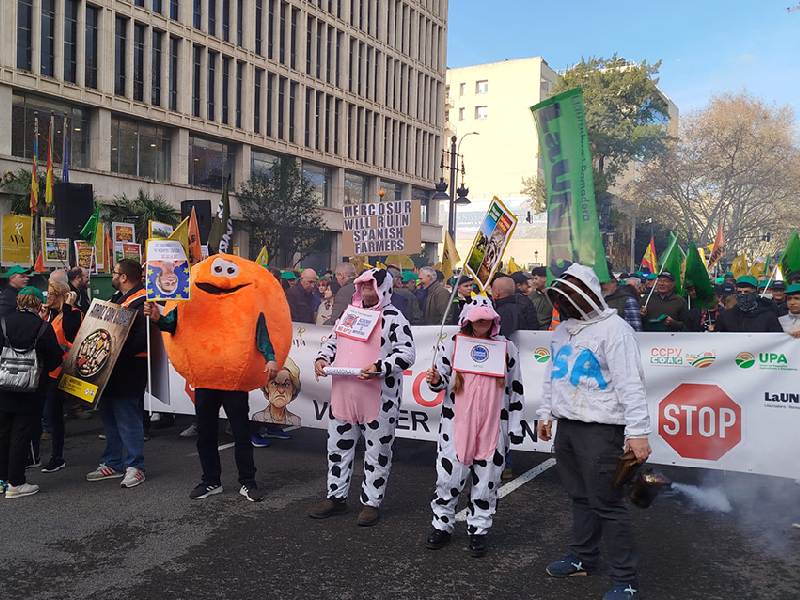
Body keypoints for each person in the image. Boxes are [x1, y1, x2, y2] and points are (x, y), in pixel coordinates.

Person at [537, 263, 651, 600]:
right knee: (579, 497)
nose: (568, 303)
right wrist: (546, 412)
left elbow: (631, 383)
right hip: (569, 426)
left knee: (608, 503)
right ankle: (582, 558)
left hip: (602, 430)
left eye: (573, 296)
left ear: (588, 293)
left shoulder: (615, 330)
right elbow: (552, 374)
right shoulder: (563, 330)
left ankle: (625, 580)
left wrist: (638, 432)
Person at [146, 254, 292, 502]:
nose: (222, 279)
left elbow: (261, 333)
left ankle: (248, 481)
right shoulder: (186, 300)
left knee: (240, 433)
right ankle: (210, 480)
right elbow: (172, 324)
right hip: (204, 379)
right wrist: (158, 317)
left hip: (233, 381)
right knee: (206, 433)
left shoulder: (249, 303)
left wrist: (270, 357)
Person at [310, 268, 415, 527]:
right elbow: (333, 341)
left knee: (377, 451)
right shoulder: (349, 314)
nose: (367, 291)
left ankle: (371, 502)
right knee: (337, 448)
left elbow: (406, 354)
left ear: (383, 288)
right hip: (344, 393)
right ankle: (335, 497)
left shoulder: (394, 318)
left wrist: (380, 367)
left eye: (372, 287)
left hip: (379, 397)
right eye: (364, 286)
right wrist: (322, 357)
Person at [424, 297, 525, 557]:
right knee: (448, 478)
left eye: (486, 318)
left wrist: (514, 426)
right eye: (477, 318)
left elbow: (516, 388)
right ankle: (442, 525)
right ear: (468, 319)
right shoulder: (452, 345)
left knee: (487, 481)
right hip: (457, 424)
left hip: (493, 425)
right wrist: (435, 380)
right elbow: (441, 382)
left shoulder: (506, 348)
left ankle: (479, 530)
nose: (482, 322)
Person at [85, 260, 148, 489]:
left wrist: (113, 349)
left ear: (124, 277)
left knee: (127, 417)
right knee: (109, 415)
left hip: (129, 368)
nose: (112, 276)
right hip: (107, 368)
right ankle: (113, 461)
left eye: (115, 273)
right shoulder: (116, 299)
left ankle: (135, 466)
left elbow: (141, 339)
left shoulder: (142, 300)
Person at [0, 287, 62, 498]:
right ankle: (16, 483)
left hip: (3, 386)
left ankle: (1, 479)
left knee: (3, 432)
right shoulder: (42, 327)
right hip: (31, 389)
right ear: (37, 303)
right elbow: (55, 359)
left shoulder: (4, 322)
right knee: (21, 434)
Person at [40, 281, 82, 473]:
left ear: (59, 294)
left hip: (62, 371)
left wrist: (67, 305)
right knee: (52, 415)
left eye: (50, 293)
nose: (46, 296)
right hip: (49, 372)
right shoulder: (52, 315)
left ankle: (57, 457)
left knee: (53, 415)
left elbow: (72, 334)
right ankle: (55, 456)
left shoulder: (73, 313)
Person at [716, 276, 783, 333]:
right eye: (739, 292)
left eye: (746, 292)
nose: (742, 295)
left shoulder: (768, 316)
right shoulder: (727, 317)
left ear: (755, 293)